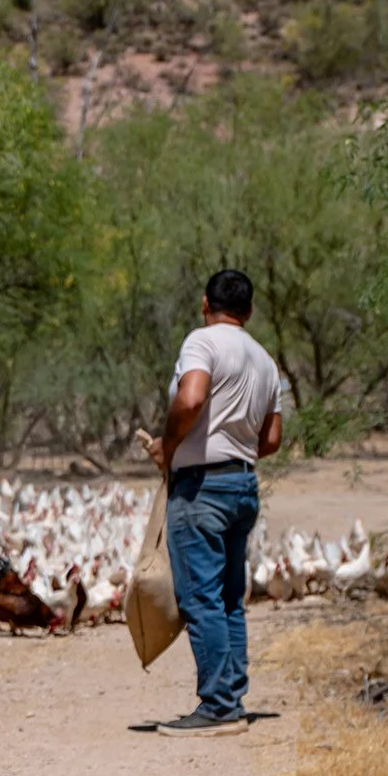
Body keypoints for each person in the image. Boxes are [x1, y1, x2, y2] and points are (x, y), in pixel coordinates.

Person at [145, 267, 283, 735]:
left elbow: (191, 398)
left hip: (202, 489)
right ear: (249, 310)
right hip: (243, 485)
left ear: (206, 303)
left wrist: (169, 446)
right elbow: (273, 438)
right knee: (229, 599)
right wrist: (231, 445)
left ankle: (219, 707)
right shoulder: (265, 360)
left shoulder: (201, 342)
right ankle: (232, 696)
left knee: (200, 596)